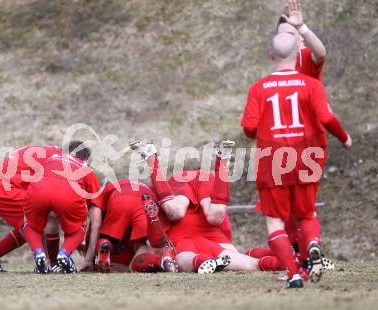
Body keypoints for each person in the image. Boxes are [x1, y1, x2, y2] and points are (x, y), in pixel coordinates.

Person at [241, 31, 351, 288]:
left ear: (272, 55)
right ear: (297, 54)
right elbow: (326, 118)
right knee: (307, 213)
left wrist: (256, 132)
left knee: (275, 221)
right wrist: (344, 138)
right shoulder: (312, 85)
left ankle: (293, 275)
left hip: (273, 159)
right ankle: (312, 244)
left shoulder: (258, 88)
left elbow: (248, 127)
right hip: (306, 156)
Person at [130, 140, 285, 274]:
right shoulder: (218, 244)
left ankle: (152, 159)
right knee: (214, 218)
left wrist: (154, 222)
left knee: (179, 215)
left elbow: (154, 243)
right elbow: (223, 227)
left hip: (186, 237)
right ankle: (222, 158)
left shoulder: (161, 249)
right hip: (205, 235)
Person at [0, 144, 62, 272]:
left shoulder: (53, 152)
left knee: (30, 225)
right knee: (48, 216)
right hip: (3, 188)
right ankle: (49, 262)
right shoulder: (60, 161)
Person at [23, 142, 101, 274]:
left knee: (30, 224)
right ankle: (64, 253)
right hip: (68, 194)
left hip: (38, 191)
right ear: (86, 159)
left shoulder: (50, 160)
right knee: (80, 228)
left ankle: (40, 253)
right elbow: (96, 223)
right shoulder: (85, 168)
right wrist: (88, 258)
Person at [86, 179, 176, 273]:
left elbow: (96, 224)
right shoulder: (149, 189)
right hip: (144, 200)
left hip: (119, 200)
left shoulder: (106, 188)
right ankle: (155, 261)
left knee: (108, 239)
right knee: (149, 244)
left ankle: (104, 241)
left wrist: (89, 257)